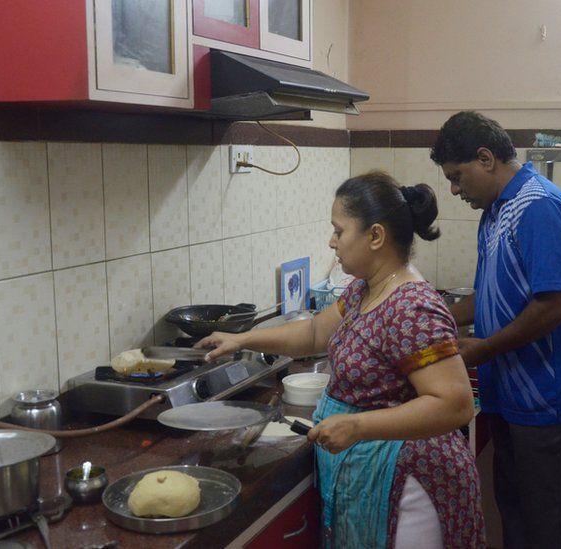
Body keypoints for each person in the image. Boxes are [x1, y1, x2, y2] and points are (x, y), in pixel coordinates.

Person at [196, 171, 485, 548]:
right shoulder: (365, 289)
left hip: (409, 485)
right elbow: (314, 332)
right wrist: (243, 338)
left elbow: (455, 404)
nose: (332, 242)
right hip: (374, 473)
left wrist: (358, 426)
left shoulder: (413, 307)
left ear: (376, 236)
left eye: (339, 231)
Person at [430, 111, 561, 549]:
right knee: (517, 513)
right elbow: (489, 293)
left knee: (551, 526)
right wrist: (430, 316)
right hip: (509, 396)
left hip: (548, 400)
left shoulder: (537, 205)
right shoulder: (496, 209)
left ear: (485, 158)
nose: (453, 189)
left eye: (457, 176)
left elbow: (559, 302)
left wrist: (485, 349)